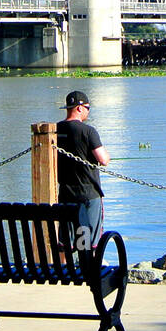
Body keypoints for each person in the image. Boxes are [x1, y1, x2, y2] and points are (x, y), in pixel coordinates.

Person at [56, 90, 110, 252]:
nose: (88, 110)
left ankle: (63, 274)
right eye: (87, 107)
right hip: (88, 195)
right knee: (88, 242)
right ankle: (88, 273)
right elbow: (103, 159)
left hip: (66, 194)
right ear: (79, 108)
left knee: (66, 242)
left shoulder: (54, 130)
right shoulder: (88, 131)